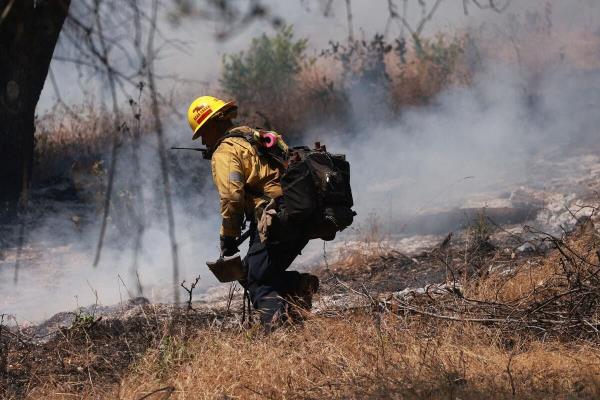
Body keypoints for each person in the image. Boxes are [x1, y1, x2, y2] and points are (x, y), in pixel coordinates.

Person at [186, 95, 319, 329]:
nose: (204, 142)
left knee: (257, 278)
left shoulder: (224, 152)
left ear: (214, 124)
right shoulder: (256, 136)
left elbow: (231, 196)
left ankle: (278, 335)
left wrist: (228, 237)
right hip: (300, 213)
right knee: (256, 272)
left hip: (276, 218)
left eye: (203, 134)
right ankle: (298, 290)